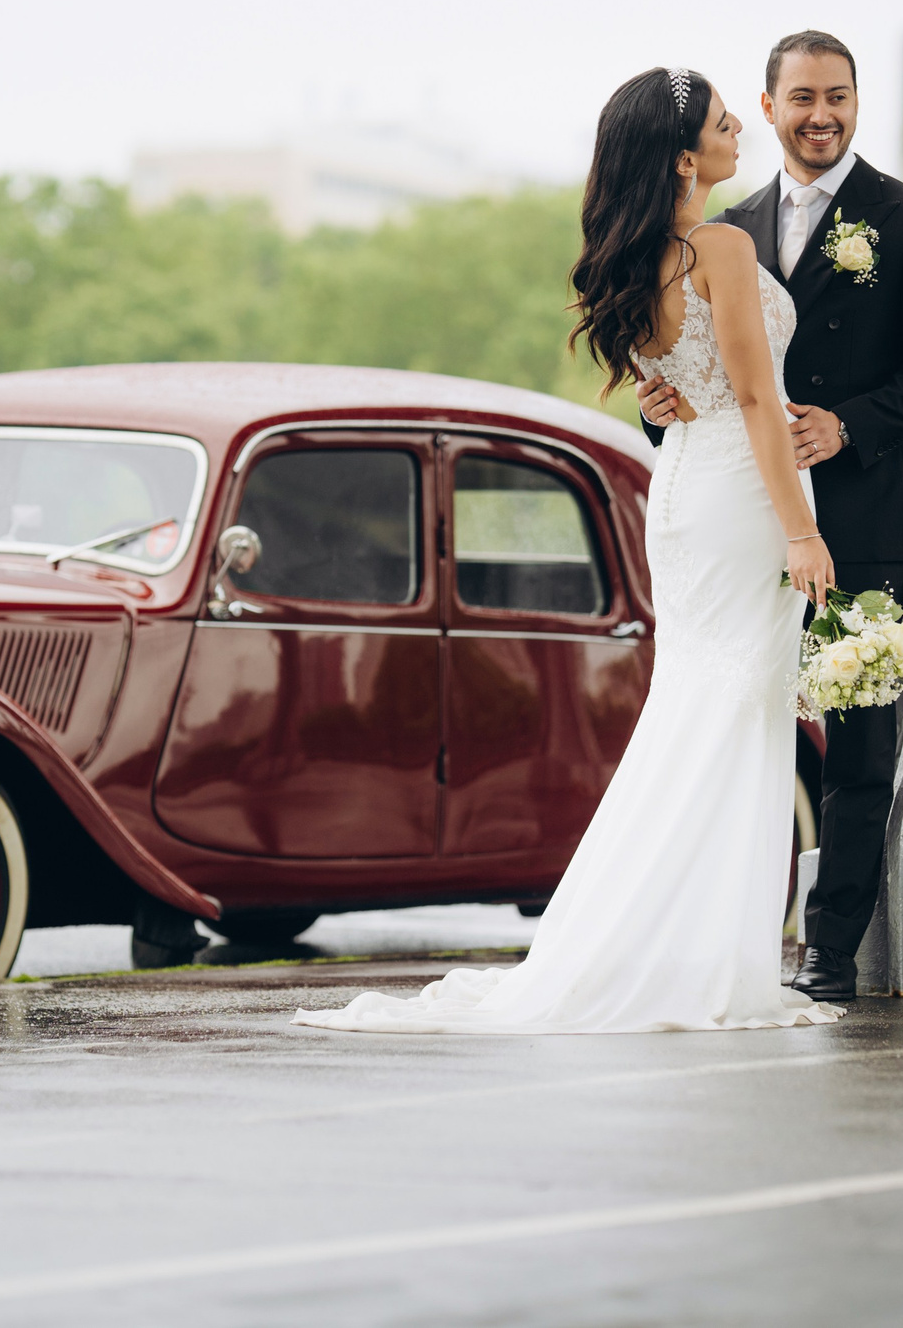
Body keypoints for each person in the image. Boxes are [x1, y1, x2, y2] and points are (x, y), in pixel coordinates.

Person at [294, 65, 842, 1034]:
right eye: (724, 123)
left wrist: (669, 397)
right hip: (736, 497)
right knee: (732, 719)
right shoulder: (718, 247)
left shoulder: (636, 260)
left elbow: (671, 386)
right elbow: (757, 398)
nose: (738, 134)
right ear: (685, 160)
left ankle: (671, 948)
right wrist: (801, 529)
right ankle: (709, 961)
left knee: (699, 715)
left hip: (686, 491)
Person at [637, 30, 903, 1002]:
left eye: (838, 96)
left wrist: (849, 423)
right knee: (742, 722)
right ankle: (723, 936)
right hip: (748, 518)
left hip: (861, 514)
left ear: (856, 102)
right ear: (770, 106)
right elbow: (702, 374)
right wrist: (658, 409)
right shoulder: (724, 222)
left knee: (859, 743)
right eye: (802, 98)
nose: (821, 115)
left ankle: (828, 951)